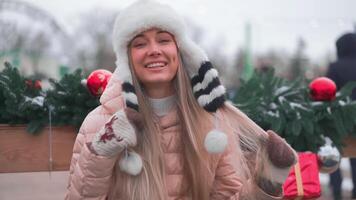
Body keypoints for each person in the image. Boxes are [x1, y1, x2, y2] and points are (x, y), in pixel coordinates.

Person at [65, 1, 297, 199]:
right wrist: (100, 152)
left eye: (163, 40)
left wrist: (267, 182)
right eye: (140, 43)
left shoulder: (212, 122)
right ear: (126, 59)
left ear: (180, 50)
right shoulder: (100, 122)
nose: (154, 50)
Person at [326, 32, 356, 200]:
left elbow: (327, 92)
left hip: (338, 120)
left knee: (333, 155)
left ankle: (336, 191)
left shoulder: (335, 67)